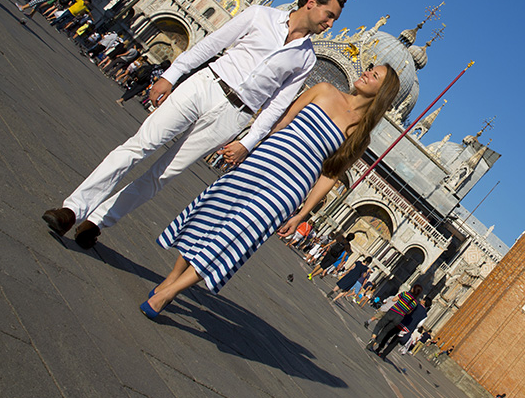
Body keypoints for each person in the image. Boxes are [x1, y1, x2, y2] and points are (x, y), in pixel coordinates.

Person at [41, 0, 344, 248]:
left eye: (334, 20)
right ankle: (72, 210)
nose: (329, 24)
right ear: (311, 2)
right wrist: (171, 75)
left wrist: (249, 142)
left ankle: (97, 222)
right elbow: (213, 44)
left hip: (235, 115)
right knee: (138, 147)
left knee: (162, 175)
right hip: (206, 85)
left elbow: (278, 105)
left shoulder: (305, 58)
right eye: (329, 15)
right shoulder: (260, 15)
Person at [140, 63, 400, 318]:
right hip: (262, 162)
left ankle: (169, 292)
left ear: (381, 93)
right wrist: (250, 146)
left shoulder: (360, 134)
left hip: (289, 189)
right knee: (212, 216)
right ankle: (171, 280)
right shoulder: (324, 89)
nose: (366, 73)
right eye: (369, 68)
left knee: (234, 236)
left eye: (374, 75)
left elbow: (329, 175)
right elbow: (283, 120)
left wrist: (302, 214)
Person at [365, 283, 423, 354]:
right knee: (385, 331)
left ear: (413, 289)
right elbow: (408, 312)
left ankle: (373, 338)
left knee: (379, 325)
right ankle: (372, 345)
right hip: (399, 317)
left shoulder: (405, 294)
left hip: (392, 312)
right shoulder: (415, 303)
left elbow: (394, 300)